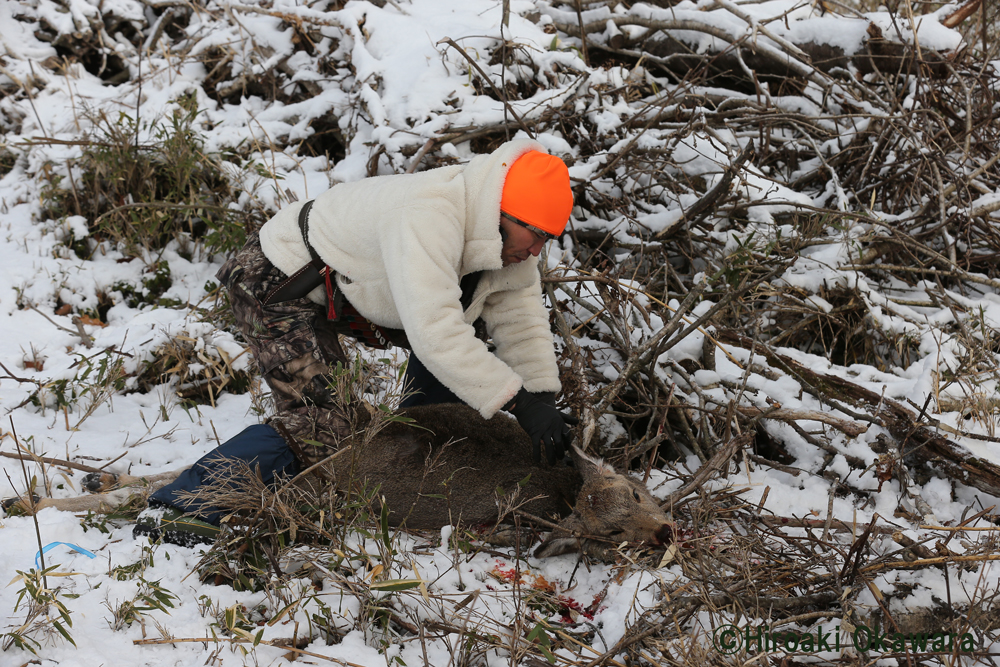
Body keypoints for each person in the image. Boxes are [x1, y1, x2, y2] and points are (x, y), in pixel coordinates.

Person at [215, 138, 576, 467]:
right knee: (327, 428)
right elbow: (436, 334)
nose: (536, 251)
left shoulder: (505, 240)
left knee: (469, 317)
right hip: (279, 279)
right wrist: (518, 403)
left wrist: (541, 397)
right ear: (502, 211)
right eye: (536, 234)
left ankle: (420, 448)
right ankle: (189, 504)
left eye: (548, 239)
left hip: (353, 287)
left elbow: (521, 320)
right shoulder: (430, 214)